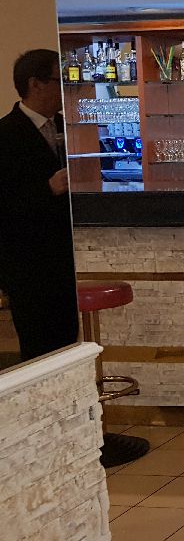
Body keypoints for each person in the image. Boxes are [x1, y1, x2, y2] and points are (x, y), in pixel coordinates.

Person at [0, 49, 78, 361]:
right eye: (61, 80)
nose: (66, 89)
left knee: (69, 341)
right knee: (39, 347)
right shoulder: (5, 134)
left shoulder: (70, 127)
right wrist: (48, 189)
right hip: (29, 263)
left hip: (68, 257)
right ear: (36, 84)